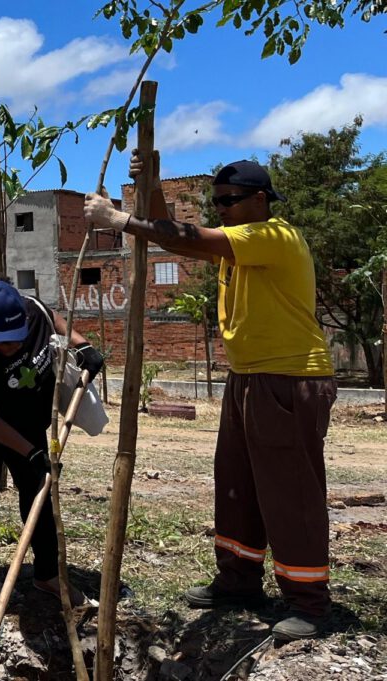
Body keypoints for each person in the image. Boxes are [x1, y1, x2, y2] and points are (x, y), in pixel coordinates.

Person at [85, 154, 337, 641]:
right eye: (215, 201)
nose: (220, 208)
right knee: (237, 483)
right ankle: (239, 580)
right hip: (247, 377)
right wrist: (151, 187)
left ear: (260, 200)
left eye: (229, 200)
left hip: (287, 379)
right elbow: (172, 230)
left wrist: (121, 220)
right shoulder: (239, 242)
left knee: (290, 492)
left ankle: (309, 601)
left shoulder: (273, 236)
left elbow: (186, 238)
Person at [0, 280, 103, 623]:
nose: (7, 347)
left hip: (25, 410)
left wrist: (81, 344)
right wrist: (29, 450)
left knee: (38, 486)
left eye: (14, 339)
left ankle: (47, 574)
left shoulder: (34, 312)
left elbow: (55, 318)